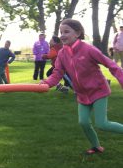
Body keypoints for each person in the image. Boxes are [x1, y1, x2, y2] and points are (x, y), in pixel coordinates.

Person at [40, 18, 123, 155]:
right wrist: (48, 83)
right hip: (82, 94)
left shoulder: (88, 49)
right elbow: (57, 73)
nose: (62, 35)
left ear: (77, 33)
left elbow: (111, 64)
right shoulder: (62, 54)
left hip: (98, 91)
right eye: (61, 32)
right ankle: (96, 147)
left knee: (102, 124)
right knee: (83, 122)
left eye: (66, 31)